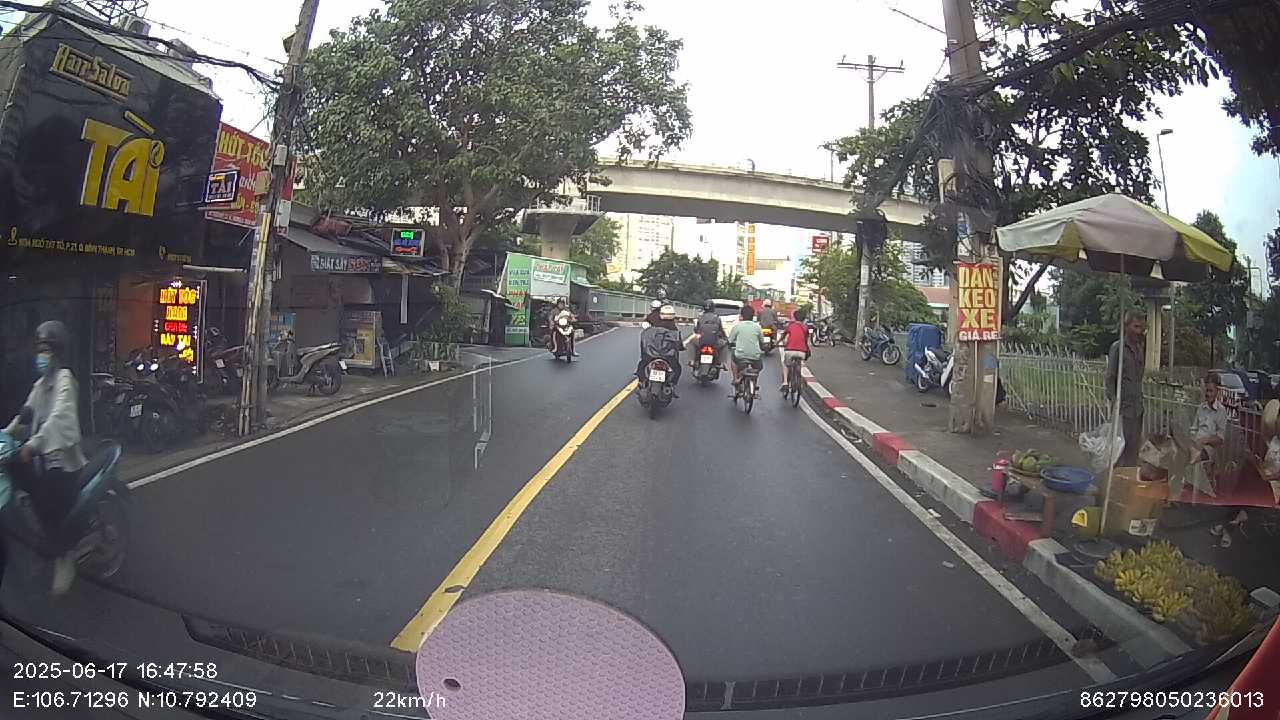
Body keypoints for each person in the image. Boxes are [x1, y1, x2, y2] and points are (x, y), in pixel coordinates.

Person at [3, 321, 88, 594]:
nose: (42, 355)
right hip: (40, 456)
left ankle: (64, 555)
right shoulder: (41, 384)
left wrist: (33, 445)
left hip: (62, 462)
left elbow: (60, 417)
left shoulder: (65, 379)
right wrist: (6, 433)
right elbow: (25, 415)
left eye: (47, 350)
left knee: (49, 501)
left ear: (58, 352)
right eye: (39, 349)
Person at [1105, 310, 1146, 467]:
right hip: (1123, 408)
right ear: (1126, 326)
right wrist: (1114, 401)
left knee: (1134, 448)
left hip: (1137, 407)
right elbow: (1110, 377)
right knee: (1120, 448)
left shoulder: (1139, 348)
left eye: (1140, 327)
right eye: (1135, 326)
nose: (1138, 331)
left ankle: (1129, 476)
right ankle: (1118, 477)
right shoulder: (1118, 348)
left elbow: (1139, 377)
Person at [637, 304, 683, 392]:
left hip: (651, 355)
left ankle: (641, 381)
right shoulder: (674, 329)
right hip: (668, 357)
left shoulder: (653, 327)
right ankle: (671, 385)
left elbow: (644, 341)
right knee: (677, 368)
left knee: (642, 364)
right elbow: (679, 344)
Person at [727, 304, 764, 392]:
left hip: (740, 355)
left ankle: (736, 379)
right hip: (755, 356)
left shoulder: (737, 326)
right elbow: (762, 341)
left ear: (742, 316)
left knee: (733, 359)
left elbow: (730, 341)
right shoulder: (757, 327)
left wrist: (730, 345)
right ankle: (754, 381)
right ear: (753, 316)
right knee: (759, 367)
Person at [779, 306, 812, 392]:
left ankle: (785, 382)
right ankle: (798, 376)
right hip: (802, 352)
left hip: (790, 351)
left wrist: (777, 343)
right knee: (799, 362)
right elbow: (806, 340)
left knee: (785, 364)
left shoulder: (790, 326)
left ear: (794, 317)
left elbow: (783, 336)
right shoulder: (805, 327)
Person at [689, 300, 727, 369]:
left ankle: (692, 360)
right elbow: (721, 330)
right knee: (725, 344)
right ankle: (722, 363)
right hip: (714, 342)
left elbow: (696, 330)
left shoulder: (700, 318)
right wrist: (725, 337)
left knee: (691, 342)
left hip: (701, 341)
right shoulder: (717, 318)